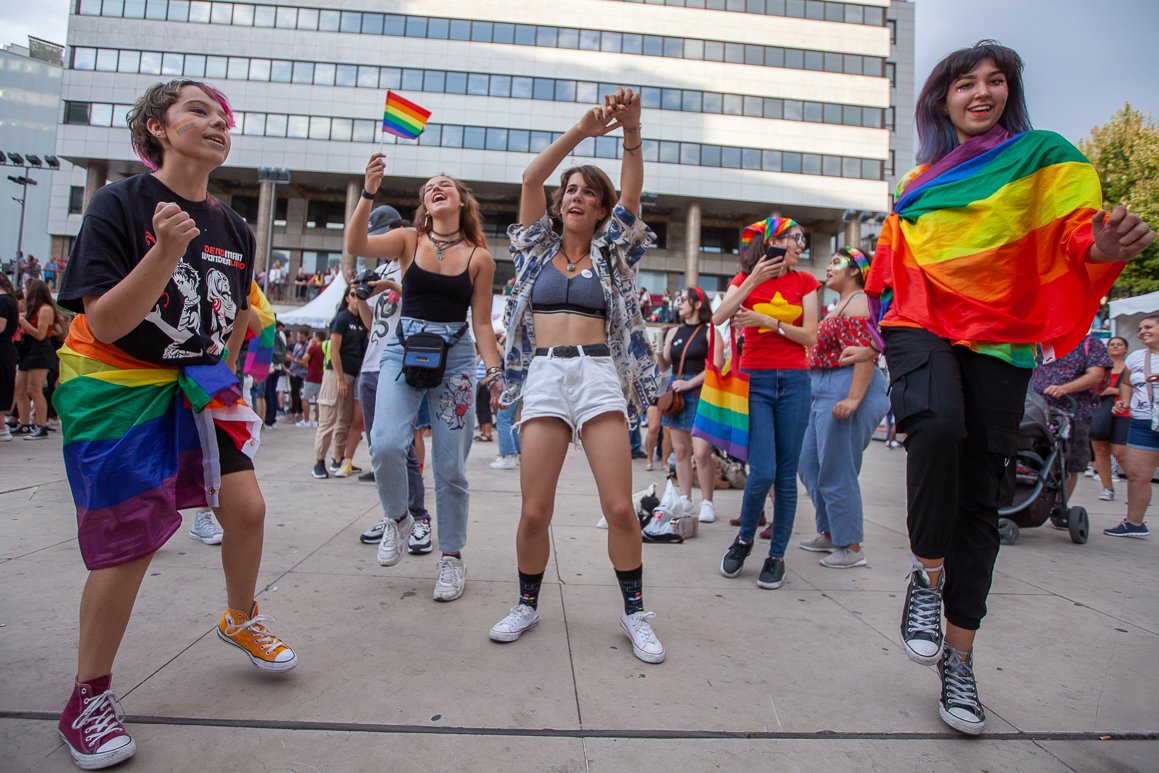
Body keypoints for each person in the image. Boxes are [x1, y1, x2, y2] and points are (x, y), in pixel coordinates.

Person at [841, 42, 1153, 735]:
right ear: (940, 98)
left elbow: (1079, 238)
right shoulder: (920, 178)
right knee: (937, 424)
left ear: (1008, 93)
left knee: (982, 496)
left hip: (1000, 333)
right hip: (920, 319)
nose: (979, 92)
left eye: (994, 82)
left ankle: (959, 660)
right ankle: (925, 576)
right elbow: (890, 261)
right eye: (964, 83)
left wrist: (1108, 246)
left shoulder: (1043, 158)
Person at [52, 79, 296, 770]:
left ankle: (239, 616)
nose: (217, 122)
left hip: (200, 374)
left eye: (224, 117)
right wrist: (162, 252)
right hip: (116, 379)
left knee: (247, 504)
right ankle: (87, 697)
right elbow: (103, 320)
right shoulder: (118, 204)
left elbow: (235, 320)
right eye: (199, 111)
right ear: (157, 127)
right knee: (132, 538)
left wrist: (226, 387)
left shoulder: (234, 226)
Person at [490, 90, 666, 664]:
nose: (575, 197)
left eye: (588, 192)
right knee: (534, 511)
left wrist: (630, 133)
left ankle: (635, 612)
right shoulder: (535, 248)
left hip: (597, 377)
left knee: (619, 507)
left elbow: (633, 192)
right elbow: (528, 178)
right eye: (570, 190)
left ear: (600, 209)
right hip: (543, 376)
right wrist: (581, 133)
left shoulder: (614, 252)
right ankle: (527, 604)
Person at [345, 154, 503, 603]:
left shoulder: (479, 258)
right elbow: (357, 244)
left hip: (455, 360)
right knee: (387, 443)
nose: (436, 188)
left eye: (446, 185)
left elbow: (484, 323)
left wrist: (493, 374)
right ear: (424, 204)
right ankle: (398, 520)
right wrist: (369, 190)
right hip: (402, 351)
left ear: (460, 200)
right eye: (429, 187)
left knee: (450, 467)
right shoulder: (408, 240)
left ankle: (451, 557)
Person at [715, 216, 820, 589]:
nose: (800, 244)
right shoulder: (746, 279)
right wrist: (755, 281)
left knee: (786, 476)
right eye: (795, 237)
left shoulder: (806, 282)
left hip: (794, 380)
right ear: (774, 241)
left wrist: (765, 320)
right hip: (757, 381)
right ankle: (744, 539)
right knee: (761, 472)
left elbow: (810, 336)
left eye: (802, 239)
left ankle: (776, 556)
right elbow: (719, 316)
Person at [797, 247, 890, 568]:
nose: (828, 267)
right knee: (808, 464)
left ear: (856, 270)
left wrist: (852, 398)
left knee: (837, 468)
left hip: (847, 384)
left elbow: (864, 352)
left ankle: (851, 545)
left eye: (836, 262)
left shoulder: (861, 302)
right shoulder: (841, 305)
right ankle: (829, 532)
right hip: (824, 386)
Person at [351, 205, 434, 550]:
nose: (377, 242)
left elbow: (418, 301)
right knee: (378, 448)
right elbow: (373, 326)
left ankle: (419, 517)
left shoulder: (409, 263)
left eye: (380, 234)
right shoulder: (381, 268)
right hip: (371, 364)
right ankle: (393, 514)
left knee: (402, 446)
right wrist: (361, 300)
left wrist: (384, 284)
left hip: (400, 362)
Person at [1029, 332, 1109, 500]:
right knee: (1029, 457)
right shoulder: (1040, 342)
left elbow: (1096, 375)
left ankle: (1060, 505)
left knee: (1069, 463)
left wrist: (1064, 388)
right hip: (1035, 411)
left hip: (1073, 413)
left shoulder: (1090, 343)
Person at [659, 287, 716, 522]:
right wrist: (658, 351)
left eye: (683, 299)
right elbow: (665, 366)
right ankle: (685, 498)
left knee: (702, 453)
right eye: (678, 299)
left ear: (697, 304)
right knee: (681, 450)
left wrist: (689, 383)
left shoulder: (709, 331)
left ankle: (707, 502)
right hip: (676, 394)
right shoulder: (674, 332)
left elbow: (715, 365)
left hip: (699, 392)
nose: (679, 303)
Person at [1107, 315, 1159, 538]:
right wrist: (1124, 401)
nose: (1142, 332)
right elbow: (1126, 383)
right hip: (1142, 422)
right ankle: (1134, 523)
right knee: (1137, 475)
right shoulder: (1136, 357)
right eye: (1140, 329)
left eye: (1148, 327)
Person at [311, 286, 366, 478]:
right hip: (336, 375)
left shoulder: (361, 320)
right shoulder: (342, 318)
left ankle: (338, 459)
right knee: (328, 419)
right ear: (347, 298)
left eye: (360, 294)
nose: (357, 298)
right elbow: (334, 350)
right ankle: (318, 462)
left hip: (353, 376)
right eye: (353, 294)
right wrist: (340, 378)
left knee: (345, 420)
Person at [14, 279, 60, 439]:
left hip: (40, 351)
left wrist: (23, 321)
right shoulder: (32, 309)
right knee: (20, 389)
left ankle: (42, 426)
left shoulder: (46, 309)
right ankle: (24, 423)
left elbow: (40, 334)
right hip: (28, 350)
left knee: (35, 389)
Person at [1089, 336, 1130, 500]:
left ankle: (1137, 485)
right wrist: (1116, 390)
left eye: (1119, 344)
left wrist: (1111, 391)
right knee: (1100, 449)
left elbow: (1133, 388)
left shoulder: (1129, 367)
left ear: (1126, 349)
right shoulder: (1099, 367)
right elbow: (1091, 387)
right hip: (1099, 411)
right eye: (1112, 344)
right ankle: (1107, 488)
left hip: (1123, 412)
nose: (1115, 347)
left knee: (1120, 452)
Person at [0, 273, 17, 441]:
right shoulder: (9, 300)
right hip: (7, 349)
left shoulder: (3, 301)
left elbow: (0, 326)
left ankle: (2, 428)